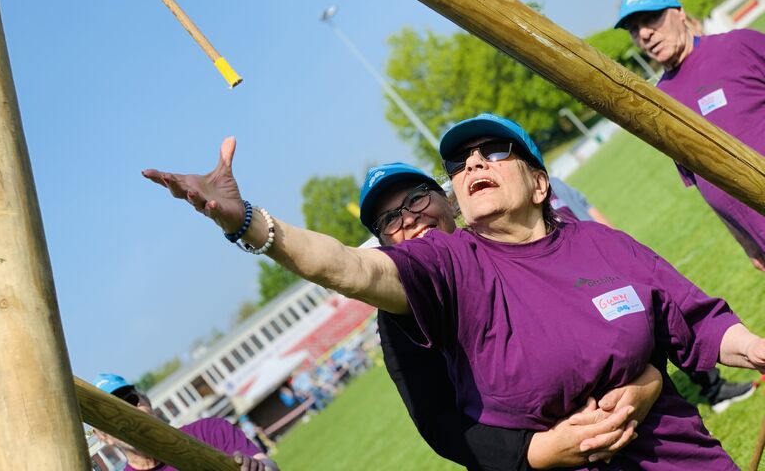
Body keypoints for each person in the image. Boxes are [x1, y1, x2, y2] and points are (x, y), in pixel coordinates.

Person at [143, 113, 765, 469]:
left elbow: (695, 319)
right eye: (460, 162)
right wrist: (248, 221)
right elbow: (346, 270)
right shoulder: (450, 267)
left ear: (540, 183)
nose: (472, 166)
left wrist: (745, 350)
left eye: (492, 153)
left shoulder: (604, 245)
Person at [359, 163, 661, 470]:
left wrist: (648, 379)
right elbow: (438, 420)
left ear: (446, 199)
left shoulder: (506, 241)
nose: (409, 217)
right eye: (390, 219)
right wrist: (534, 451)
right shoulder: (398, 317)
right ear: (383, 242)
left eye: (416, 198)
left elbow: (631, 315)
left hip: (638, 429)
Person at [550, 177, 756, 413]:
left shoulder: (556, 183)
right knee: (634, 354)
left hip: (612, 265)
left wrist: (621, 248)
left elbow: (588, 208)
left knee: (672, 318)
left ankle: (715, 389)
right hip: (587, 287)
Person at [615, 0, 765, 273]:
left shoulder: (739, 45)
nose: (644, 34)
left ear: (680, 13)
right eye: (634, 29)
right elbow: (701, 181)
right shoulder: (660, 103)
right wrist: (745, 239)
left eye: (650, 19)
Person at [92, 373, 278, 471]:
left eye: (130, 400)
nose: (127, 414)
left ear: (145, 399)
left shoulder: (210, 431)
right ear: (102, 436)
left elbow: (268, 464)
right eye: (110, 414)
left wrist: (259, 468)